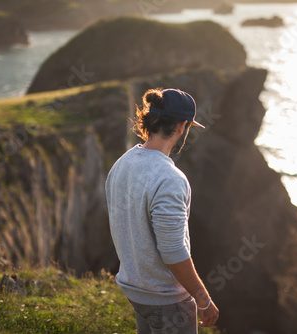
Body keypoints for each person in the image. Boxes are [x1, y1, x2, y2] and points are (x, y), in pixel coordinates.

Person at [105, 88, 219, 333]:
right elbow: (173, 250)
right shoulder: (170, 179)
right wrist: (203, 299)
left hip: (137, 292)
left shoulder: (121, 164)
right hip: (168, 301)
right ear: (182, 127)